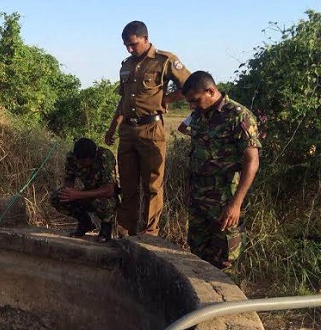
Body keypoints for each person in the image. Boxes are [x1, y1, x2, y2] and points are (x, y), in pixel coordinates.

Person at [104, 21, 191, 236]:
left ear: (145, 39)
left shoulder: (165, 60)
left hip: (151, 130)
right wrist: (112, 127)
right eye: (126, 45)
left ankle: (150, 234)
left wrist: (165, 99)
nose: (130, 49)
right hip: (127, 131)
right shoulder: (126, 65)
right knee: (127, 184)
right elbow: (123, 100)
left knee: (152, 185)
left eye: (133, 44)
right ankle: (127, 234)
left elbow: (190, 86)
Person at [182, 71, 261, 270]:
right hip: (199, 198)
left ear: (210, 91)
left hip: (224, 199)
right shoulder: (199, 115)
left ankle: (227, 301)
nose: (192, 106)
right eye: (190, 102)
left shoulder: (238, 116)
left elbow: (251, 161)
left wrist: (236, 203)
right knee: (197, 255)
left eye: (196, 100)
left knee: (224, 260)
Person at [50, 137, 119, 243]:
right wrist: (67, 191)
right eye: (77, 161)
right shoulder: (72, 158)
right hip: (86, 193)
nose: (79, 164)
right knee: (57, 197)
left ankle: (106, 229)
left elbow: (109, 190)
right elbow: (69, 179)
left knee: (104, 202)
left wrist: (78, 194)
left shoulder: (105, 157)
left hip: (105, 195)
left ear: (91, 158)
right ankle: (85, 223)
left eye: (82, 162)